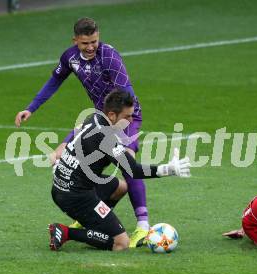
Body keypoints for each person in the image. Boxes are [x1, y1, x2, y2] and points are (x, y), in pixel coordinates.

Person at [14, 17, 152, 247]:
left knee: (127, 163)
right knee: (83, 166)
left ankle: (143, 227)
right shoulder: (70, 58)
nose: (90, 47)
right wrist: (31, 108)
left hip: (125, 117)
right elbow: (54, 80)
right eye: (84, 43)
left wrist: (122, 125)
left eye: (94, 42)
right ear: (75, 40)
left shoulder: (109, 57)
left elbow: (127, 94)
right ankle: (89, 216)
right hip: (102, 117)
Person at [49, 89, 190, 251]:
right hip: (76, 197)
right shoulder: (105, 138)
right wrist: (168, 169)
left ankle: (90, 222)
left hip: (63, 187)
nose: (131, 120)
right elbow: (133, 170)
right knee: (121, 243)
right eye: (127, 116)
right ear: (111, 115)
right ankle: (66, 232)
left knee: (121, 187)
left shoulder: (94, 117)